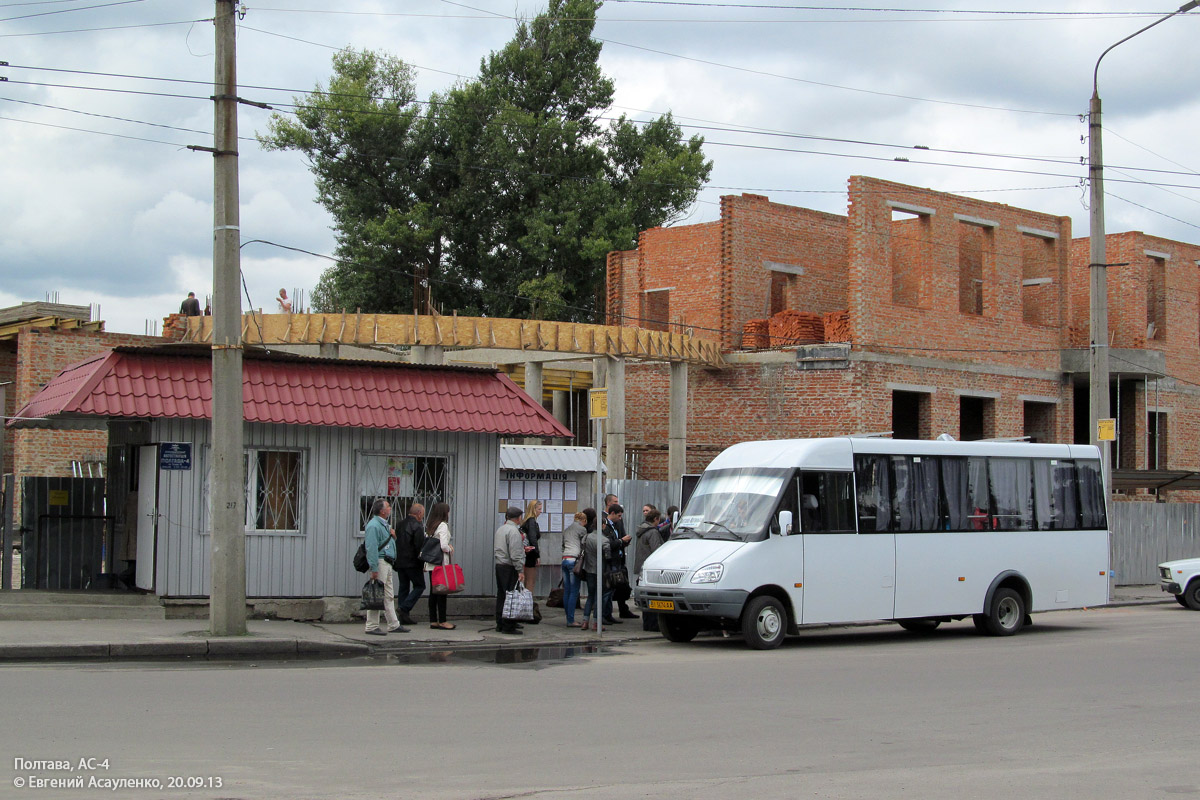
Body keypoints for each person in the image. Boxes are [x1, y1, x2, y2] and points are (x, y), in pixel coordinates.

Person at [363, 499, 407, 635]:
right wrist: (374, 567)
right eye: (388, 506)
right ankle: (371, 626)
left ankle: (393, 624)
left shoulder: (383, 525)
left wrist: (393, 537)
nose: (390, 508)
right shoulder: (374, 525)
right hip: (380, 562)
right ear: (382, 511)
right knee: (376, 593)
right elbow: (371, 548)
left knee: (388, 595)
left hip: (387, 562)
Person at [494, 506, 526, 635]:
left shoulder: (501, 529)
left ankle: (500, 623)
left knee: (502, 595)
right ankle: (509, 625)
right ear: (518, 518)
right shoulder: (514, 531)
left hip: (500, 564)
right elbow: (515, 553)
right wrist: (520, 570)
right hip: (509, 566)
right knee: (511, 596)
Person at [423, 502, 455, 630]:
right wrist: (450, 548)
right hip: (440, 564)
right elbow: (443, 545)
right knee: (442, 592)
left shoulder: (431, 525)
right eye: (447, 511)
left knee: (433, 592)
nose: (448, 513)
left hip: (431, 564)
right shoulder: (442, 525)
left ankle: (433, 620)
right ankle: (443, 620)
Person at [579, 507, 612, 632]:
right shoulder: (604, 540)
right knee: (599, 596)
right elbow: (608, 557)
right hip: (600, 571)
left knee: (590, 596)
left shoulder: (586, 537)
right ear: (602, 525)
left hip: (588, 570)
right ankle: (596, 623)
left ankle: (585, 621)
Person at [394, 503, 427, 625]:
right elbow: (419, 546)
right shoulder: (417, 526)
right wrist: (423, 562)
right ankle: (404, 608)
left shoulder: (400, 524)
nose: (422, 516)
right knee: (420, 586)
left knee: (403, 587)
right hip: (412, 562)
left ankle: (403, 617)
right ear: (419, 513)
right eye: (422, 514)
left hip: (400, 561)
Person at [604, 502, 637, 620]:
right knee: (610, 588)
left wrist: (625, 541)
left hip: (620, 559)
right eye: (618, 515)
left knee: (621, 585)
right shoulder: (605, 526)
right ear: (612, 513)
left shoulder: (617, 524)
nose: (620, 518)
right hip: (611, 560)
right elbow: (608, 544)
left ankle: (623, 609)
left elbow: (620, 538)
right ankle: (607, 614)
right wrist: (621, 541)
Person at [634, 509, 666, 632]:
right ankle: (653, 625)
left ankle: (647, 624)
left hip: (642, 567)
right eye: (658, 519)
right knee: (653, 597)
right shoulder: (652, 532)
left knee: (645, 597)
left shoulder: (641, 530)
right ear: (656, 519)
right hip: (651, 568)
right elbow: (657, 550)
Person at [560, 510, 586, 627]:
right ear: (583, 520)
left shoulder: (566, 530)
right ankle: (571, 620)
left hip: (565, 559)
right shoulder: (582, 530)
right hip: (574, 561)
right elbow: (584, 545)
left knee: (567, 591)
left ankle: (568, 618)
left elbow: (563, 546)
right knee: (574, 591)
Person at [520, 499, 542, 594]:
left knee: (525, 581)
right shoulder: (532, 522)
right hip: (530, 555)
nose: (540, 512)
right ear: (533, 510)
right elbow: (533, 540)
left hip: (525, 553)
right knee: (530, 581)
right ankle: (528, 604)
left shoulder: (525, 522)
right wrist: (537, 555)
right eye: (539, 509)